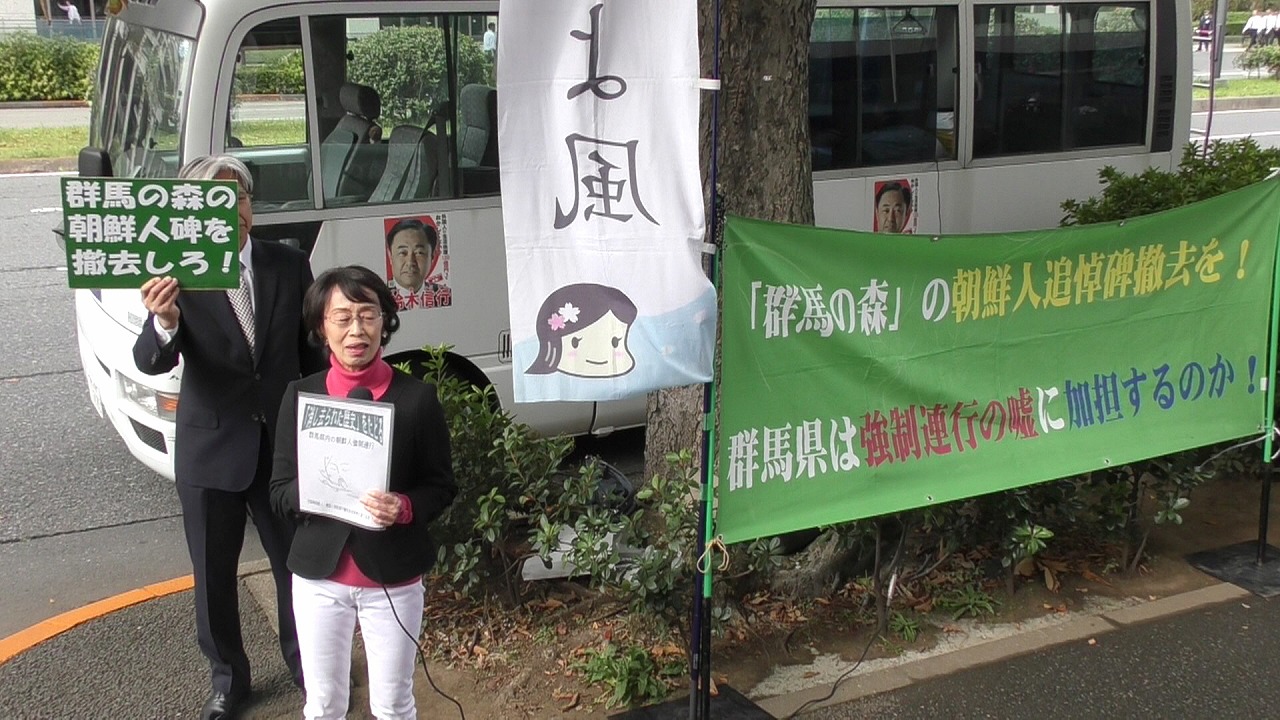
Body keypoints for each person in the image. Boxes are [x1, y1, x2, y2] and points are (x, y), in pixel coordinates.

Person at [134, 155, 321, 719]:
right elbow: (149, 359)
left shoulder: (289, 264)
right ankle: (228, 680)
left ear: (250, 204)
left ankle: (309, 668)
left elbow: (312, 355)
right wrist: (164, 322)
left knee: (295, 567)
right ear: (192, 212)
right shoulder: (177, 274)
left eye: (237, 197)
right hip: (211, 449)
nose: (232, 210)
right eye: (215, 200)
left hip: (281, 448)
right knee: (213, 576)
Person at [270, 265, 457, 719]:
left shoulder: (417, 399)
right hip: (318, 578)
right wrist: (312, 491)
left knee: (393, 705)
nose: (356, 330)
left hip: (392, 578)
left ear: (384, 321)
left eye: (368, 315)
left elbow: (441, 485)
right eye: (342, 317)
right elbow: (278, 491)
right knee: (323, 705)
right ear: (322, 327)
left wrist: (404, 507)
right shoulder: (301, 395)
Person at [385, 217, 440, 307]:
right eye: (403, 253)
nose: (410, 262)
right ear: (390, 256)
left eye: (419, 253)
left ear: (432, 256)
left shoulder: (443, 295)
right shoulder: (379, 297)